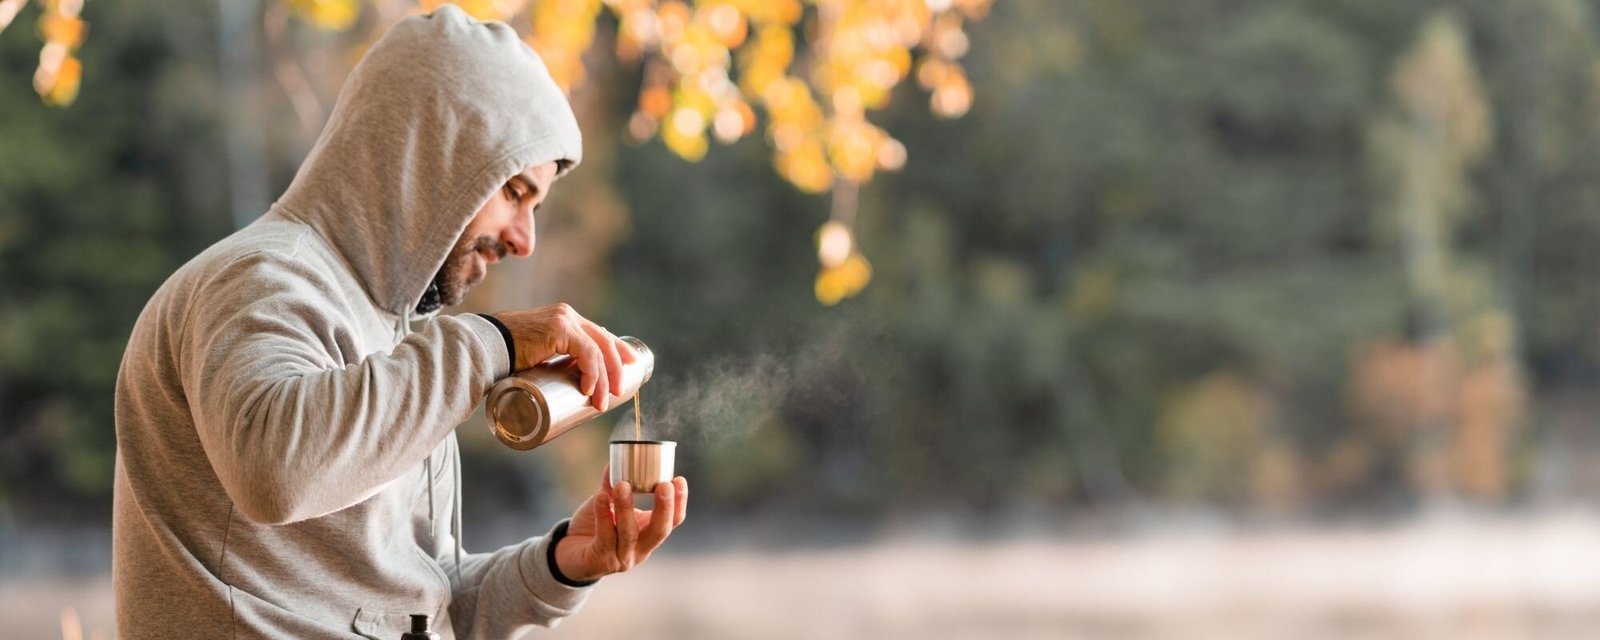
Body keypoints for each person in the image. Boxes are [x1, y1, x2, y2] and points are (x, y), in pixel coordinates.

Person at [110, 6, 686, 638]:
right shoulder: (259, 280)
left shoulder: (397, 336)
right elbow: (272, 471)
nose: (524, 239)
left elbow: (422, 606)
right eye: (516, 193)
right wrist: (489, 344)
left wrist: (563, 565)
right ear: (435, 155)